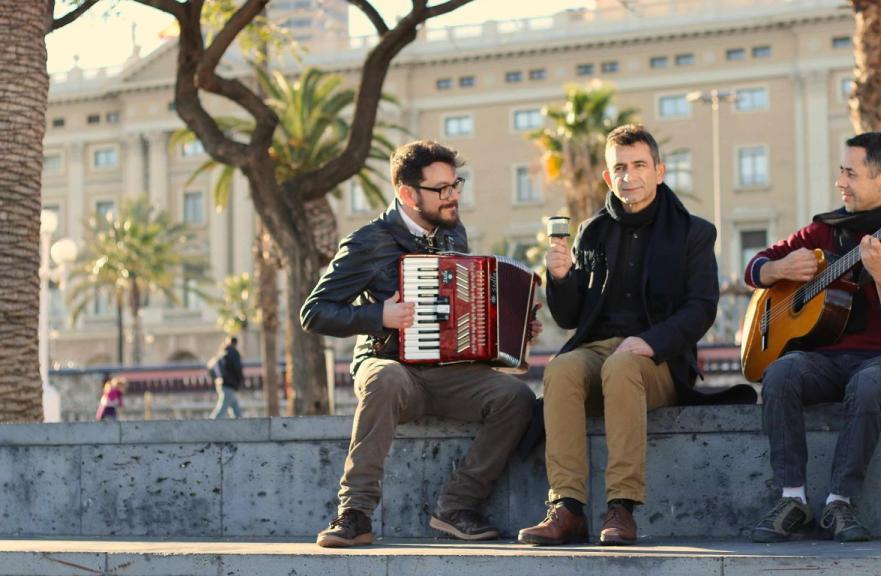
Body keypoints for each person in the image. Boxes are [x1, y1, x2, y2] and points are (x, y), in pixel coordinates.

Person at [518, 124, 753, 547]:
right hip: (597, 351)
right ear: (608, 177)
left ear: (659, 171)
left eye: (639, 165)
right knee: (561, 370)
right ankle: (567, 507)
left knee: (624, 364)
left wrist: (653, 342)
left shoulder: (693, 232)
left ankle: (621, 507)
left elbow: (702, 308)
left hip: (657, 362)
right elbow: (571, 316)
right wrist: (560, 277)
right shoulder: (592, 231)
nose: (630, 176)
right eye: (620, 168)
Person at [301, 140, 538, 548]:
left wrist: (506, 330)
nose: (453, 196)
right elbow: (315, 312)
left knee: (516, 397)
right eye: (441, 189)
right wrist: (378, 316)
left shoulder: (453, 234)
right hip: (388, 364)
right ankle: (354, 514)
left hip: (448, 374)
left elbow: (457, 313)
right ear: (408, 194)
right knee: (385, 379)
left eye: (455, 185)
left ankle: (456, 507)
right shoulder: (368, 242)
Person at [745, 132, 881, 543]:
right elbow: (754, 268)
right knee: (781, 374)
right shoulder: (824, 231)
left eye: (850, 173)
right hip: (826, 361)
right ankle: (792, 499)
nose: (841, 182)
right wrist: (778, 270)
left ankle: (840, 502)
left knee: (868, 384)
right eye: (841, 171)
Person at [209, 336, 245, 419]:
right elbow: (237, 368)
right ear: (235, 343)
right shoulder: (234, 353)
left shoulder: (223, 352)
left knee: (235, 408)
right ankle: (210, 424)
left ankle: (241, 423)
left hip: (222, 383)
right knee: (222, 409)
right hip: (229, 384)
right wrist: (240, 380)